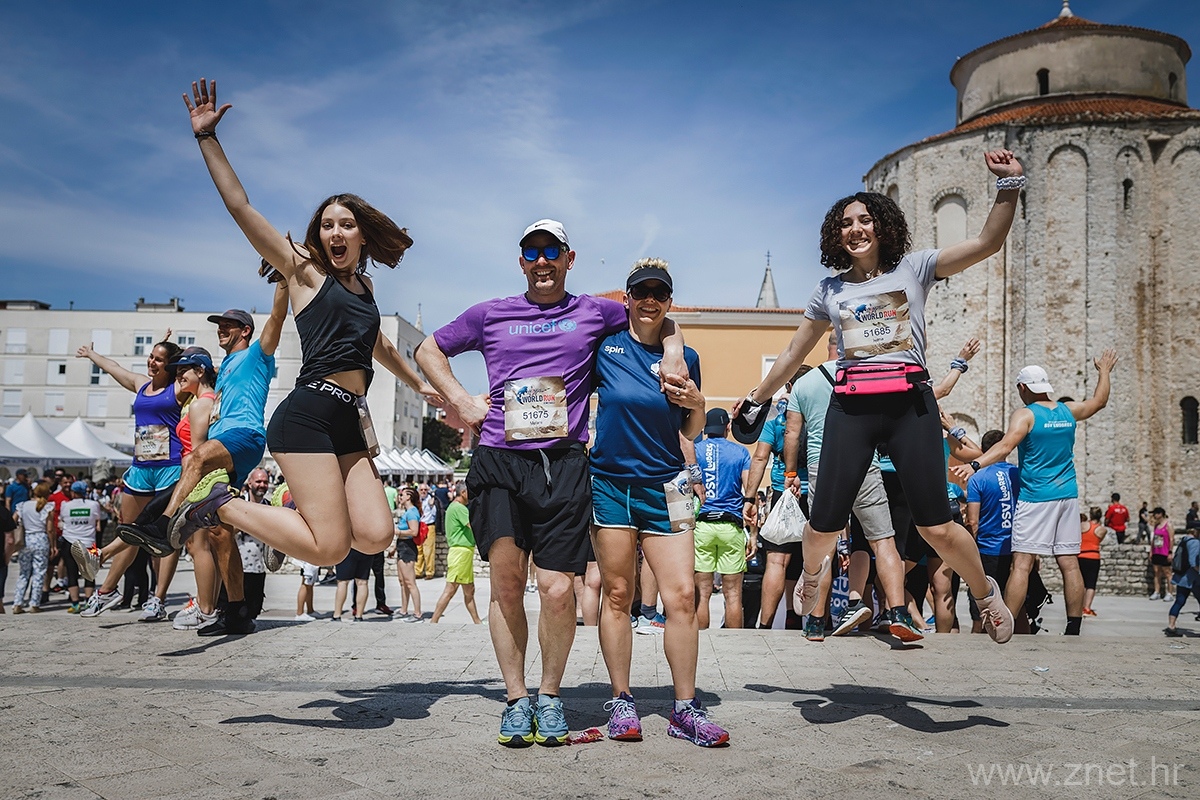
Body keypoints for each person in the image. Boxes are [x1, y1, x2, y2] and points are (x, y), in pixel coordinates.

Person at [151, 78, 440, 592]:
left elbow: (380, 344)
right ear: (318, 235)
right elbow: (241, 208)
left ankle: (279, 521)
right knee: (330, 547)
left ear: (362, 233)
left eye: (346, 224)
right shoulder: (304, 271)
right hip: (308, 413)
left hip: (350, 419)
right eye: (327, 225)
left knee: (375, 535)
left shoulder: (366, 288)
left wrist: (420, 385)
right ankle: (219, 505)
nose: (335, 232)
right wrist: (207, 138)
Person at [415, 218, 688, 747]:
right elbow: (428, 350)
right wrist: (461, 400)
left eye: (551, 251)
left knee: (559, 589)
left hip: (563, 463)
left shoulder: (594, 311)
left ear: (569, 258)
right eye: (532, 251)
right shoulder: (490, 313)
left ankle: (549, 695)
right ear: (521, 261)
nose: (542, 260)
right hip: (499, 459)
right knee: (506, 585)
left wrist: (674, 351)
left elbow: (654, 313)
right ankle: (516, 698)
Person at [735, 149, 1024, 644]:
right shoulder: (829, 290)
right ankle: (811, 578)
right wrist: (756, 399)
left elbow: (986, 243)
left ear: (883, 225)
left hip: (910, 403)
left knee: (935, 527)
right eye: (846, 223)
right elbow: (793, 352)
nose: (856, 229)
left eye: (865, 219)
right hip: (853, 405)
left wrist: (1009, 185)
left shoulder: (915, 268)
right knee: (824, 522)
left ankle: (984, 593)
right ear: (836, 235)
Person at [589, 259, 728, 746]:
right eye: (641, 292)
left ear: (669, 301)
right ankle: (622, 701)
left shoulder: (685, 358)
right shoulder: (605, 346)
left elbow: (689, 430)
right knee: (618, 594)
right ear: (627, 298)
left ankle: (684, 709)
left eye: (660, 293)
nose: (650, 300)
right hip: (610, 485)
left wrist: (698, 406)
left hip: (668, 485)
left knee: (683, 597)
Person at [119, 285, 288, 636]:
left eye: (228, 325)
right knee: (220, 533)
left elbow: (277, 316)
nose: (220, 329)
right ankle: (237, 611)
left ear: (245, 330)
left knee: (195, 459)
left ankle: (162, 526)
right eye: (218, 325)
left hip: (245, 436)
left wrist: (284, 279)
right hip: (224, 442)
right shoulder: (223, 369)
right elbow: (181, 374)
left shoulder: (257, 354)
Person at [953, 353, 1118, 636]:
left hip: (1036, 497)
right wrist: (1104, 370)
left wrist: (975, 465)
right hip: (1067, 496)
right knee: (1069, 562)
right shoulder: (1067, 411)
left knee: (1022, 563)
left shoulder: (1026, 415)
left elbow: (1005, 446)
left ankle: (1004, 626)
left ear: (1022, 388)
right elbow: (1099, 402)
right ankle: (1073, 628)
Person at [783, 335, 915, 641]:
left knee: (824, 547)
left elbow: (792, 433)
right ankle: (898, 613)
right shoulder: (868, 375)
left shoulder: (804, 383)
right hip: (865, 463)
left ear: (828, 345)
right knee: (883, 540)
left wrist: (791, 472)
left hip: (822, 466)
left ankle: (817, 623)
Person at [75, 338, 184, 618]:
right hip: (140, 468)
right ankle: (106, 592)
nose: (151, 362)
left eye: (158, 359)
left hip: (170, 467)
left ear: (170, 365)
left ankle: (158, 600)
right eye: (151, 356)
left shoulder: (179, 388)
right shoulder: (141, 385)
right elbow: (114, 368)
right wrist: (92, 354)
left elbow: (206, 376)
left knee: (166, 536)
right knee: (129, 530)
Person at [744, 367, 808, 631]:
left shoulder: (776, 418)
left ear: (790, 387)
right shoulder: (822, 416)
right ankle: (813, 620)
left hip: (784, 493)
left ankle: (766, 624)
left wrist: (750, 497)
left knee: (777, 560)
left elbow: (760, 457)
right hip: (816, 492)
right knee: (816, 560)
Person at [693, 409, 754, 631]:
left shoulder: (695, 451)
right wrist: (753, 534)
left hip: (702, 526)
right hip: (731, 526)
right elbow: (750, 492)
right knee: (733, 594)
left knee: (702, 594)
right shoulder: (740, 452)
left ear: (705, 429)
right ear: (727, 427)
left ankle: (701, 642)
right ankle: (734, 644)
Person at [963, 430, 1019, 634]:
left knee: (981, 604)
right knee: (1014, 605)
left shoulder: (978, 478)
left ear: (983, 449)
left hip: (987, 549)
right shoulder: (1018, 474)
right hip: (1015, 548)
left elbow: (973, 521)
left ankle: (979, 640)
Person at [431, 482, 483, 624]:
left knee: (469, 590)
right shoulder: (460, 508)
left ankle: (477, 622)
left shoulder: (453, 507)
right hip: (461, 552)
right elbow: (473, 526)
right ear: (463, 493)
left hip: (462, 552)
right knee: (450, 590)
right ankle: (434, 621)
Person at [59, 481, 102, 613]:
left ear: (73, 492)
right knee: (89, 574)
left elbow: (62, 520)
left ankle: (75, 604)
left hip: (69, 541)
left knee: (71, 573)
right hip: (89, 543)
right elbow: (97, 520)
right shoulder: (94, 505)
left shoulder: (65, 505)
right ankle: (88, 602)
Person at [11, 483, 55, 613]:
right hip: (40, 539)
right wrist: (53, 545)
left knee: (24, 572)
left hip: (26, 540)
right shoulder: (47, 507)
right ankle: (34, 603)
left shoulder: (22, 505)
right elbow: (50, 529)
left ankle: (17, 602)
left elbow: (13, 520)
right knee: (39, 572)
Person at [390, 486, 424, 622]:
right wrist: (394, 547)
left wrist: (397, 532)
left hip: (407, 548)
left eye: (402, 495)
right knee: (403, 581)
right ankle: (404, 610)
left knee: (410, 582)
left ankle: (417, 613)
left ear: (409, 497)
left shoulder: (412, 512)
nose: (400, 497)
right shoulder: (408, 512)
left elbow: (414, 531)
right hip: (402, 546)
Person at [1165, 526, 1200, 636]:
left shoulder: (1184, 540)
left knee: (1179, 601)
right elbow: (1194, 563)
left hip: (1181, 577)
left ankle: (1171, 626)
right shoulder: (1195, 543)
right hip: (1193, 579)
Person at [1079, 507, 1107, 617]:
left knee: (1080, 583)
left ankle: (1079, 606)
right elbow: (1098, 540)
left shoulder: (1082, 525)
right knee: (1091, 583)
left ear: (1090, 515)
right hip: (1093, 556)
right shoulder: (1102, 529)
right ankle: (1087, 608)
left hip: (1081, 555)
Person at [1149, 507, 1174, 601]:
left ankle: (1170, 593)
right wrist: (1151, 551)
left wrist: (1170, 552)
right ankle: (1157, 592)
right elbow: (1153, 539)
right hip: (1156, 551)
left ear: (1160, 514)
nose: (1154, 516)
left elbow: (1171, 539)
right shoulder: (1156, 526)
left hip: (1164, 552)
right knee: (1157, 572)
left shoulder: (1168, 525)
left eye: (1155, 513)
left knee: (1167, 572)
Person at [416, 484, 438, 579]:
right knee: (418, 550)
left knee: (429, 550)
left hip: (429, 526)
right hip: (419, 526)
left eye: (425, 489)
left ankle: (429, 572)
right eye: (421, 490)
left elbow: (435, 514)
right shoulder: (417, 501)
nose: (423, 491)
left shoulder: (431, 500)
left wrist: (432, 505)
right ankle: (418, 571)